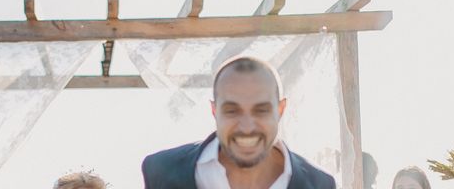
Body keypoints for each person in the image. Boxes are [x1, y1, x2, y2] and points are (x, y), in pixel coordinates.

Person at [141, 56, 336, 189]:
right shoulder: (161, 171)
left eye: (261, 110)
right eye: (232, 110)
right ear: (214, 111)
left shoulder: (319, 185)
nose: (247, 127)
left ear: (280, 110)